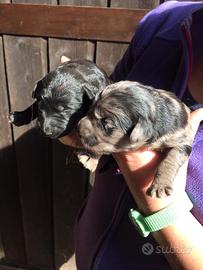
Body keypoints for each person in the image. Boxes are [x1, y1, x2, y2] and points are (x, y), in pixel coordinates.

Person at [59, 1, 203, 269]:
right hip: (90, 245)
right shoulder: (166, 20)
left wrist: (160, 206)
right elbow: (107, 97)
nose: (85, 124)